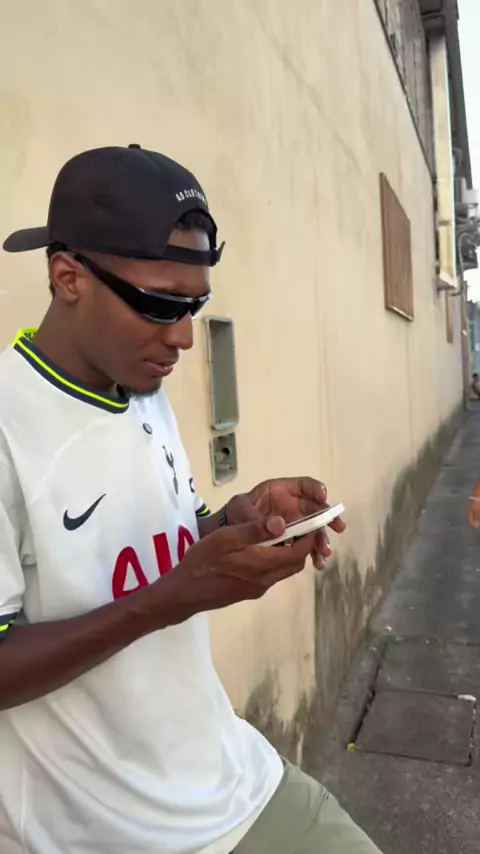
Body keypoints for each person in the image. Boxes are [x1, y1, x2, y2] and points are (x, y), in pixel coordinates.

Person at [0, 144, 381, 854]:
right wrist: (173, 598)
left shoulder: (142, 386)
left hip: (231, 776)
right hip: (101, 833)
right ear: (67, 277)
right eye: (158, 304)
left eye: (195, 305)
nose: (181, 337)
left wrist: (239, 522)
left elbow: (167, 539)